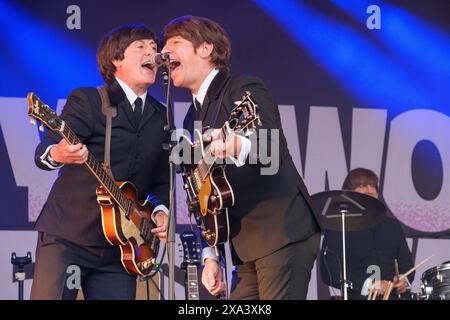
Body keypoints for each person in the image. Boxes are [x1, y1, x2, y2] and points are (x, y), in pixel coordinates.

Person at [161, 15, 321, 300]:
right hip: (244, 247)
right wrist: (211, 255)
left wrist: (238, 146)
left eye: (175, 43)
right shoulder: (190, 118)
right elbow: (200, 196)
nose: (165, 52)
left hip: (280, 231)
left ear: (206, 49)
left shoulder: (242, 87)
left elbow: (272, 148)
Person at [30, 24, 169, 300]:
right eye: (141, 47)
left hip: (121, 247)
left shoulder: (162, 115)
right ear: (116, 60)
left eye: (154, 48)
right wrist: (57, 154)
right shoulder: (90, 100)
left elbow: (162, 177)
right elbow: (47, 149)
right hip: (68, 235)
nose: (152, 53)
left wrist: (159, 210)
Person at [320, 168, 414, 300]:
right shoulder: (339, 226)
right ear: (349, 193)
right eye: (362, 185)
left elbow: (407, 265)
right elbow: (329, 272)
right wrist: (369, 285)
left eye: (373, 185)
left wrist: (404, 280)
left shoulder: (391, 225)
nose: (369, 189)